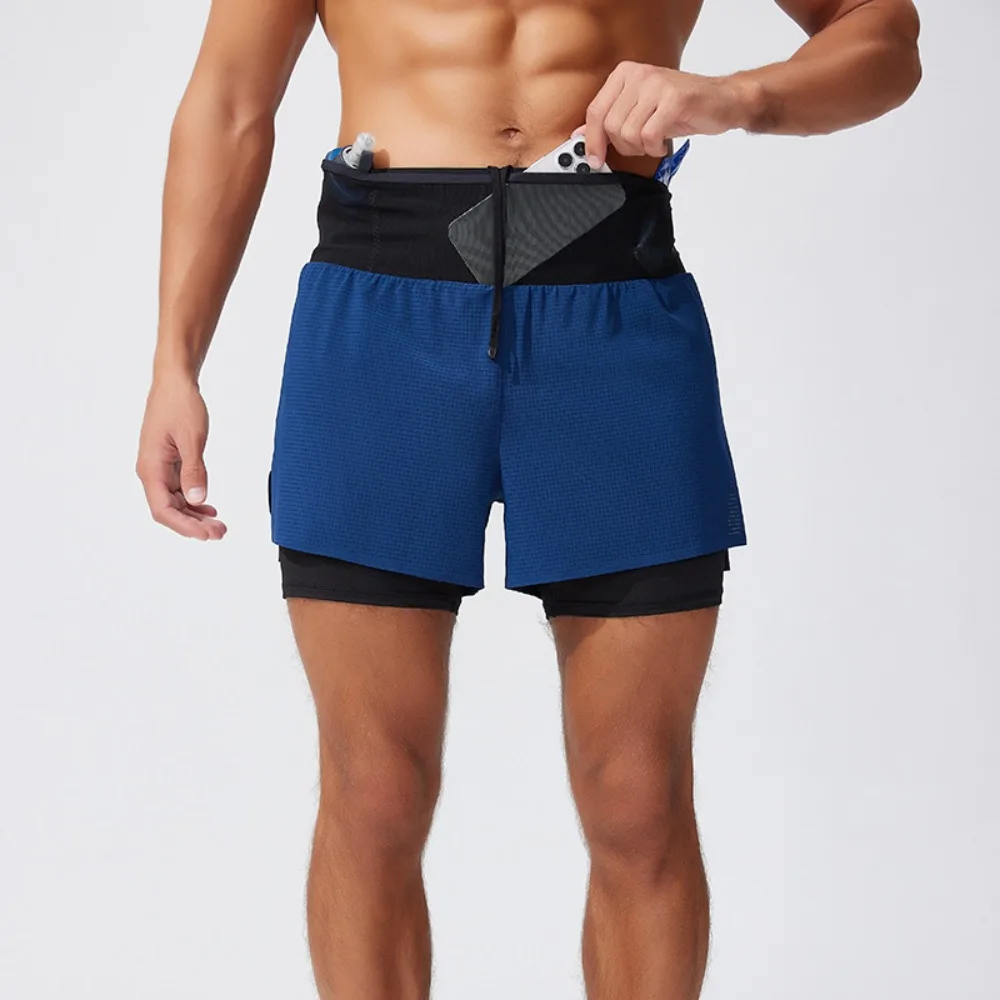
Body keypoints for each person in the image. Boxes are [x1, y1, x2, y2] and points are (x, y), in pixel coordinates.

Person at [135, 1, 921, 997]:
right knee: (375, 788)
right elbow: (230, 101)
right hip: (381, 317)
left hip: (613, 305)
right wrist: (174, 360)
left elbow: (883, 35)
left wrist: (735, 97)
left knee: (637, 794)